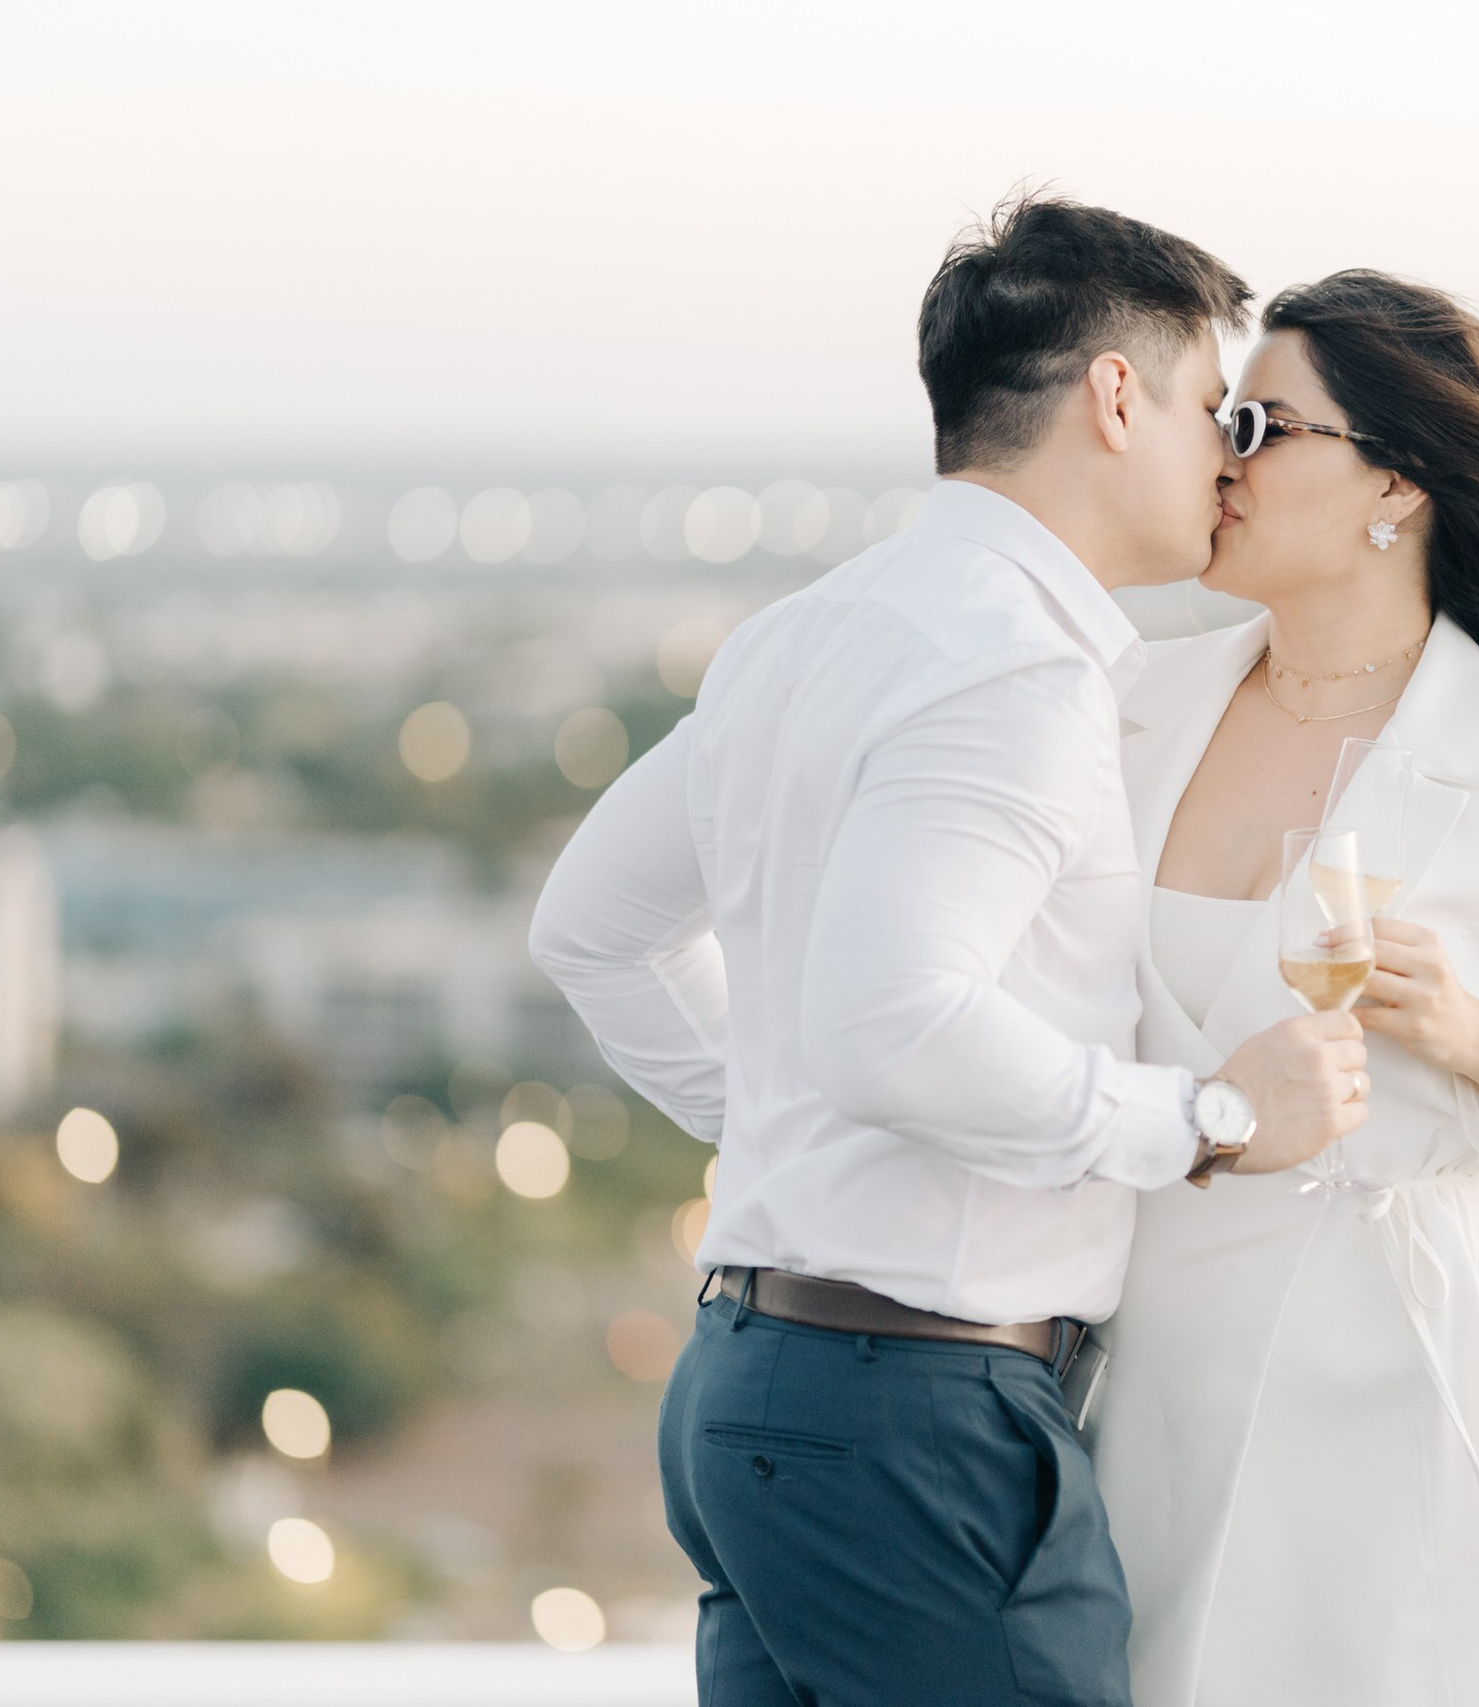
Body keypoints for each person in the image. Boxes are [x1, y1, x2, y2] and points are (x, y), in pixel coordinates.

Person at [529, 198, 1368, 1707]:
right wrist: (1209, 1122)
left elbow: (592, 929)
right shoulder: (1016, 670)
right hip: (915, 1421)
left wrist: (784, 1116)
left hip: (757, 1385)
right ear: (1117, 399)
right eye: (1209, 406)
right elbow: (894, 1023)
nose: (1226, 454)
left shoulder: (805, 634)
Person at [1087, 271, 1479, 1706]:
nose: (1222, 455)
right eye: (1222, 418)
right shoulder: (1136, 702)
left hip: (1386, 1368)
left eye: (1264, 423)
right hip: (1134, 1363)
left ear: (1399, 484)